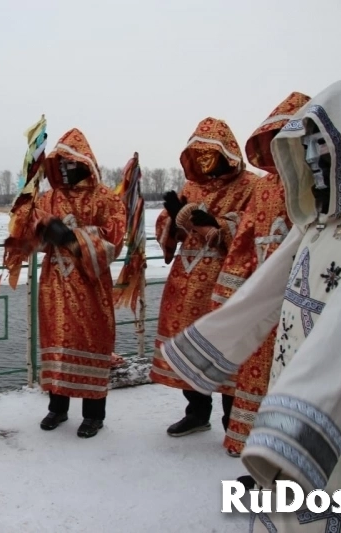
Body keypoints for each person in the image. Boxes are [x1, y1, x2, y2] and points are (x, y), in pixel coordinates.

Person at [159, 79, 341, 532]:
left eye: (319, 151)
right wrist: (212, 343)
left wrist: (292, 427)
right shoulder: (324, 211)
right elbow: (269, 281)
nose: (312, 168)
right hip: (297, 372)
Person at [9, 128, 126, 438]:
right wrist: (36, 222)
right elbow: (29, 237)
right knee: (57, 341)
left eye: (69, 163)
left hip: (90, 285)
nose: (63, 169)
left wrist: (72, 238)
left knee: (91, 341)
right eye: (58, 163)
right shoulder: (48, 197)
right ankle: (57, 408)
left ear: (84, 163)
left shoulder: (105, 199)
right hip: (55, 284)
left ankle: (93, 415)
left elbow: (114, 239)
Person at [214, 92, 311, 460]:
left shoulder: (322, 185)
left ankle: (289, 454)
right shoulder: (266, 187)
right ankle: (255, 447)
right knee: (256, 367)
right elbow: (244, 240)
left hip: (304, 296)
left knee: (296, 376)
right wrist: (232, 296)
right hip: (263, 295)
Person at [149, 117, 255, 437]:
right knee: (190, 346)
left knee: (226, 347)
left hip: (227, 283)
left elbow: (255, 228)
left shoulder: (251, 185)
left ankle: (232, 419)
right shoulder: (191, 186)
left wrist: (217, 226)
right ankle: (196, 411)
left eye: (210, 153)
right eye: (198, 154)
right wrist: (173, 221)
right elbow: (171, 228)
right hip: (187, 280)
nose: (204, 161)